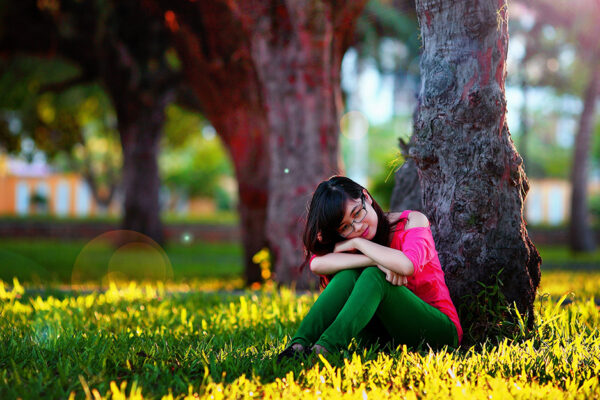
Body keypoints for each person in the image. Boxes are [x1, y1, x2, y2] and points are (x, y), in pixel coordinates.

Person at [277, 176, 462, 360]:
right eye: (345, 227)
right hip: (383, 340)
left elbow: (408, 265)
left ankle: (325, 348)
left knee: (374, 276)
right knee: (349, 275)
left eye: (357, 213)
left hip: (438, 333)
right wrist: (374, 261)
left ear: (366, 197)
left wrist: (358, 243)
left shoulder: (412, 221)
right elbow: (317, 264)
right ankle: (297, 346)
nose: (357, 227)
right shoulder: (350, 241)